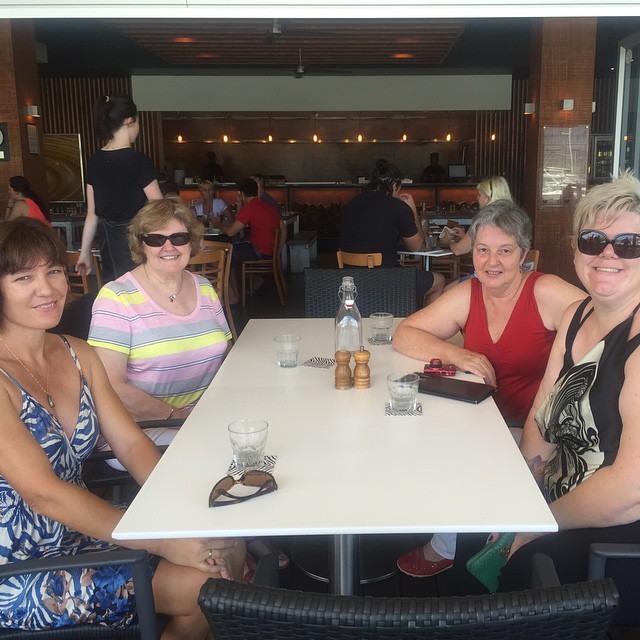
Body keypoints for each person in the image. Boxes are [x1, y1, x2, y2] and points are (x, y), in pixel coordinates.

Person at [0, 217, 244, 636]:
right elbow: (44, 495)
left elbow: (131, 443)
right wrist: (161, 541)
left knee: (226, 543)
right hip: (19, 567)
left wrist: (181, 514)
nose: (47, 288)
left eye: (54, 271)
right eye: (24, 277)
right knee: (209, 585)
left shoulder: (76, 352)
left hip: (83, 531)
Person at [449, 172, 640, 594]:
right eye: (592, 240)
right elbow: (542, 416)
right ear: (576, 250)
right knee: (470, 517)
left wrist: (537, 523)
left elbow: (630, 490)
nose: (608, 254)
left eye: (628, 244)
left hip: (611, 527)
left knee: (523, 567)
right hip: (556, 490)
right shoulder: (578, 316)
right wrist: (523, 490)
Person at [393, 199, 585, 578]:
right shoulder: (470, 293)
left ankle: (448, 546)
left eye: (504, 251)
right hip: (483, 420)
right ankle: (456, 536)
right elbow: (405, 334)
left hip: (537, 434)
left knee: (453, 449)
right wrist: (456, 353)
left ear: (523, 254)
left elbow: (601, 325)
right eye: (482, 249)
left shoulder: (543, 291)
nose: (491, 261)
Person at [87, 196, 232, 466]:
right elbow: (110, 388)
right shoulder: (116, 297)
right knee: (225, 453)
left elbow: (226, 356)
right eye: (155, 239)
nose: (169, 247)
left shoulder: (203, 287)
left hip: (202, 415)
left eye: (179, 238)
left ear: (192, 242)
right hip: (137, 429)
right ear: (141, 244)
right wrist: (177, 416)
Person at [77, 94, 162, 283]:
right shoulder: (139, 161)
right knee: (142, 292)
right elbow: (159, 208)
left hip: (108, 242)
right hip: (136, 241)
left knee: (118, 293)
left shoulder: (95, 161)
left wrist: (84, 253)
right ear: (130, 121)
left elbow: (92, 213)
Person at [339, 158, 445, 305]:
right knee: (439, 281)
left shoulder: (351, 203)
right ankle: (423, 326)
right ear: (394, 185)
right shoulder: (398, 208)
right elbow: (418, 246)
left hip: (349, 278)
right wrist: (412, 210)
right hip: (386, 279)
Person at [440, 176, 513, 256]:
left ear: (488, 198)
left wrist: (450, 241)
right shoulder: (513, 215)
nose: (477, 198)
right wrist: (465, 237)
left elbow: (458, 250)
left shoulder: (484, 218)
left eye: (480, 195)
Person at [218, 178, 284, 263]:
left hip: (260, 251)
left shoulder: (250, 208)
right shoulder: (269, 206)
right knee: (232, 249)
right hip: (270, 251)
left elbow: (231, 232)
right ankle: (236, 276)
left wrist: (218, 224)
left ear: (242, 194)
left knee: (223, 253)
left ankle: (222, 276)